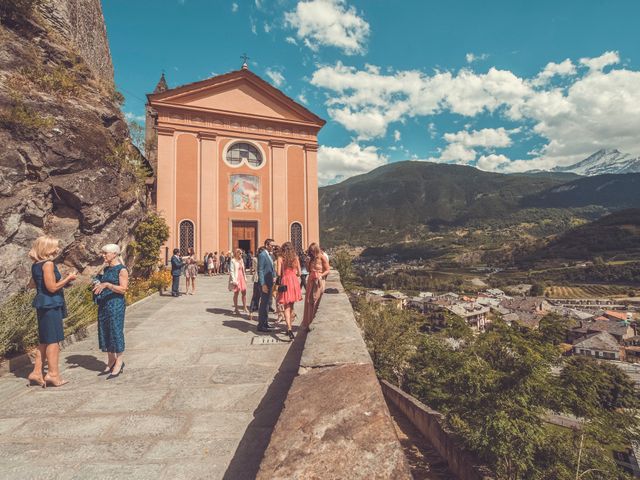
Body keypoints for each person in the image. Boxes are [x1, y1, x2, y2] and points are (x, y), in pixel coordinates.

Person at [27, 235, 76, 388]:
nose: (57, 249)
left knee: (45, 340)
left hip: (43, 304)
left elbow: (32, 285)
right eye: (55, 246)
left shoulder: (36, 264)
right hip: (50, 305)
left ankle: (36, 372)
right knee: (54, 341)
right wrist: (68, 278)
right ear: (47, 248)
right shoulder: (48, 264)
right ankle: (53, 374)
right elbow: (52, 288)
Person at [93, 244, 129, 379]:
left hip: (116, 303)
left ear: (114, 254)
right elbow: (100, 281)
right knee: (104, 329)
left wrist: (108, 285)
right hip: (104, 303)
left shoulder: (122, 270)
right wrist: (97, 283)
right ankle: (110, 359)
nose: (103, 255)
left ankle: (119, 360)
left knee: (115, 330)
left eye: (105, 253)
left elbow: (123, 289)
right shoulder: (106, 269)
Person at [276, 242, 302, 340]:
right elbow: (299, 273)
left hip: (285, 281)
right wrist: (293, 274)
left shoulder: (280, 258)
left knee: (286, 307)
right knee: (291, 306)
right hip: (294, 281)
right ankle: (289, 328)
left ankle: (289, 329)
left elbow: (278, 273)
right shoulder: (295, 257)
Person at [302, 242, 330, 329]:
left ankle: (313, 323)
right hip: (311, 280)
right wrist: (307, 263)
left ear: (316, 250)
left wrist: (320, 275)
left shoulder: (322, 257)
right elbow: (308, 270)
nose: (312, 253)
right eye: (310, 251)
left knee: (315, 301)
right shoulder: (311, 258)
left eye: (313, 251)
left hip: (318, 282)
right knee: (309, 301)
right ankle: (308, 323)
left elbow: (328, 270)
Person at [257, 238, 276, 332]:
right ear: (266, 245)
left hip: (270, 282)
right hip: (265, 283)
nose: (273, 247)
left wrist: (274, 276)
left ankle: (266, 323)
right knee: (264, 304)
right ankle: (260, 325)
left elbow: (271, 268)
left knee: (267, 303)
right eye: (272, 245)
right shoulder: (262, 255)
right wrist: (263, 284)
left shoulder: (269, 255)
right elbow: (260, 270)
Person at [229, 248, 248, 314]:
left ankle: (245, 307)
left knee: (244, 293)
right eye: (240, 253)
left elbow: (243, 270)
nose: (241, 254)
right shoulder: (233, 261)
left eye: (241, 253)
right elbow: (231, 271)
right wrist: (234, 280)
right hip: (236, 278)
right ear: (236, 253)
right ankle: (236, 308)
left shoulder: (241, 260)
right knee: (236, 293)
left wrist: (245, 278)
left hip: (242, 277)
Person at [248, 247, 263, 322]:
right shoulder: (264, 258)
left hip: (256, 278)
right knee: (263, 297)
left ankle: (251, 312)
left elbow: (254, 268)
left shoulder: (254, 259)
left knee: (255, 296)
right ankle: (261, 315)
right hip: (262, 278)